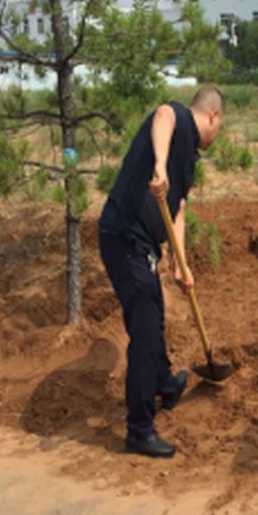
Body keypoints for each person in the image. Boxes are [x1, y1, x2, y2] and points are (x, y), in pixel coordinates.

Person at [98, 86, 225, 458]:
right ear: (213, 116)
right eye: (221, 128)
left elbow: (179, 209)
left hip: (145, 245)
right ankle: (139, 428)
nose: (217, 137)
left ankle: (166, 385)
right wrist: (158, 164)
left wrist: (179, 263)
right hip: (123, 238)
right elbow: (163, 115)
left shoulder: (188, 161)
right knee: (145, 334)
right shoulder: (180, 121)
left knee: (154, 319)